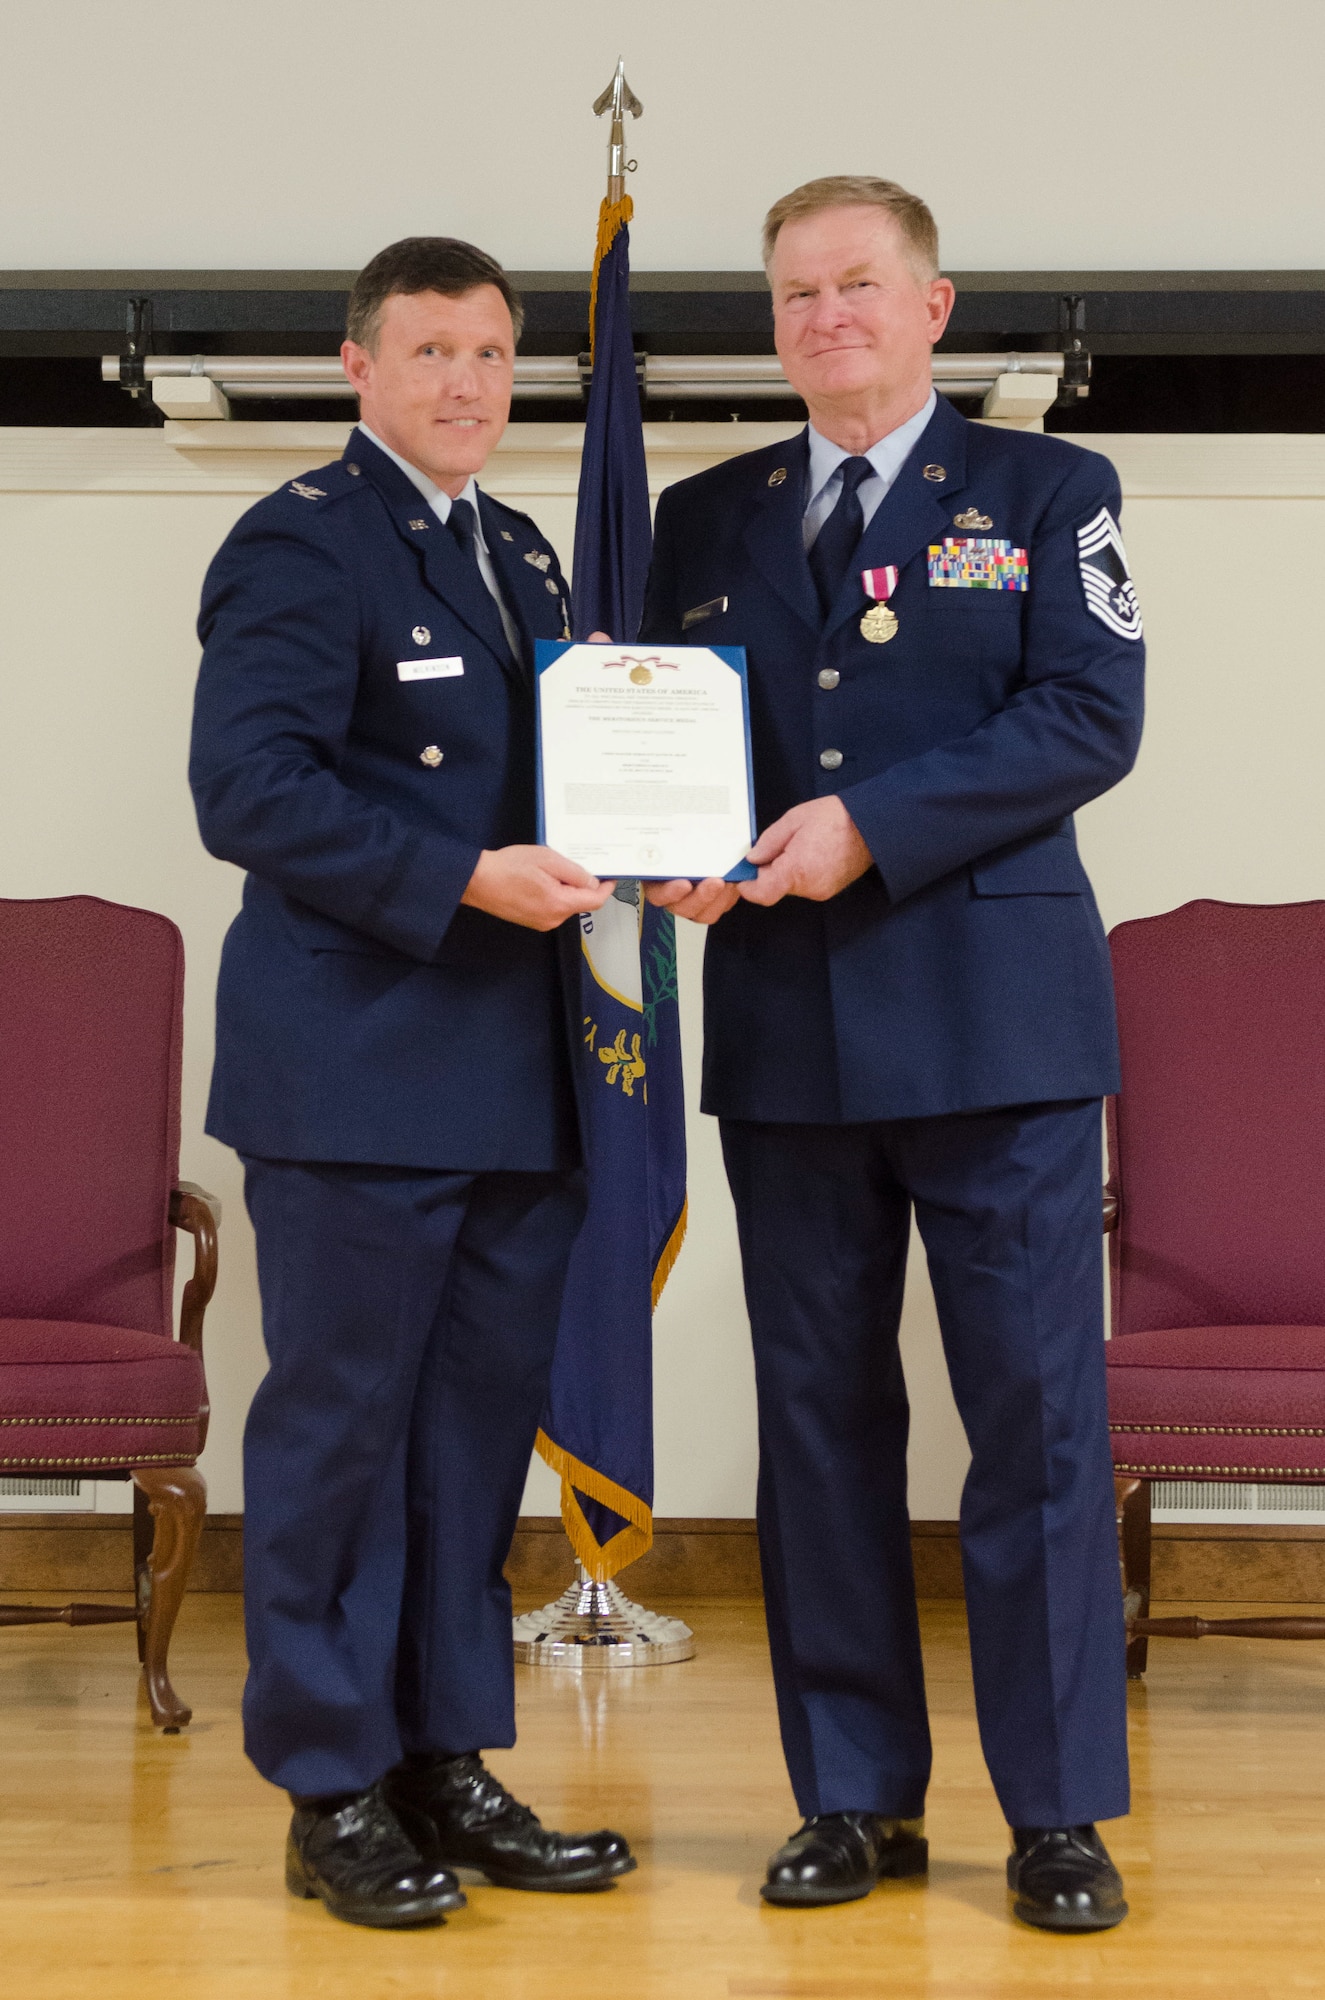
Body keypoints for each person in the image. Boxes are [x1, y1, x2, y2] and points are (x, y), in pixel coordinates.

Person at [641, 177, 1144, 1933]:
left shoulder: (1045, 491)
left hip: (997, 1039)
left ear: (933, 307)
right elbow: (656, 736)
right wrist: (663, 853)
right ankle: (852, 1798)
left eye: (858, 284)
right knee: (820, 1429)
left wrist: (868, 822)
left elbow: (1089, 718)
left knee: (1031, 1428)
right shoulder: (705, 519)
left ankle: (1060, 1811)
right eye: (794, 294)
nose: (825, 315)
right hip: (787, 1041)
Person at [189, 236, 635, 1930]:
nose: (465, 382)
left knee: (464, 1445)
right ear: (359, 366)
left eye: (491, 354)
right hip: (359, 1071)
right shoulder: (304, 542)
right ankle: (329, 1783)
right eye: (431, 350)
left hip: (519, 1074)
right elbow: (248, 788)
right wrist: (460, 878)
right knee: (342, 1441)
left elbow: (571, 782)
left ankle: (443, 1753)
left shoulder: (517, 553)